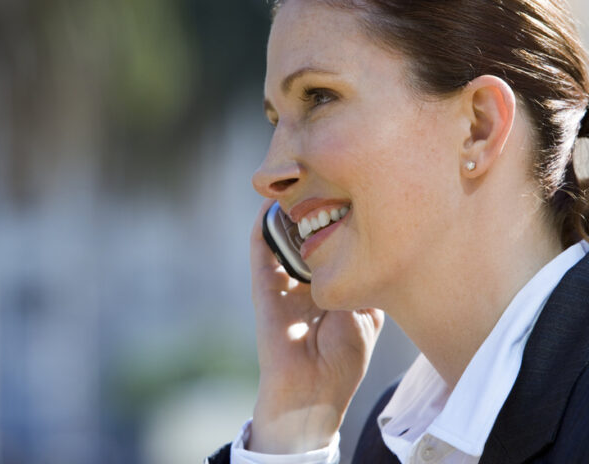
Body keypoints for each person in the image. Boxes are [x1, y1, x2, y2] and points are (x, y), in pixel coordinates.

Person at [207, 0, 589, 462]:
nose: (267, 173)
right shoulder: (389, 441)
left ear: (479, 126)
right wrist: (294, 424)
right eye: (275, 120)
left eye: (319, 97)